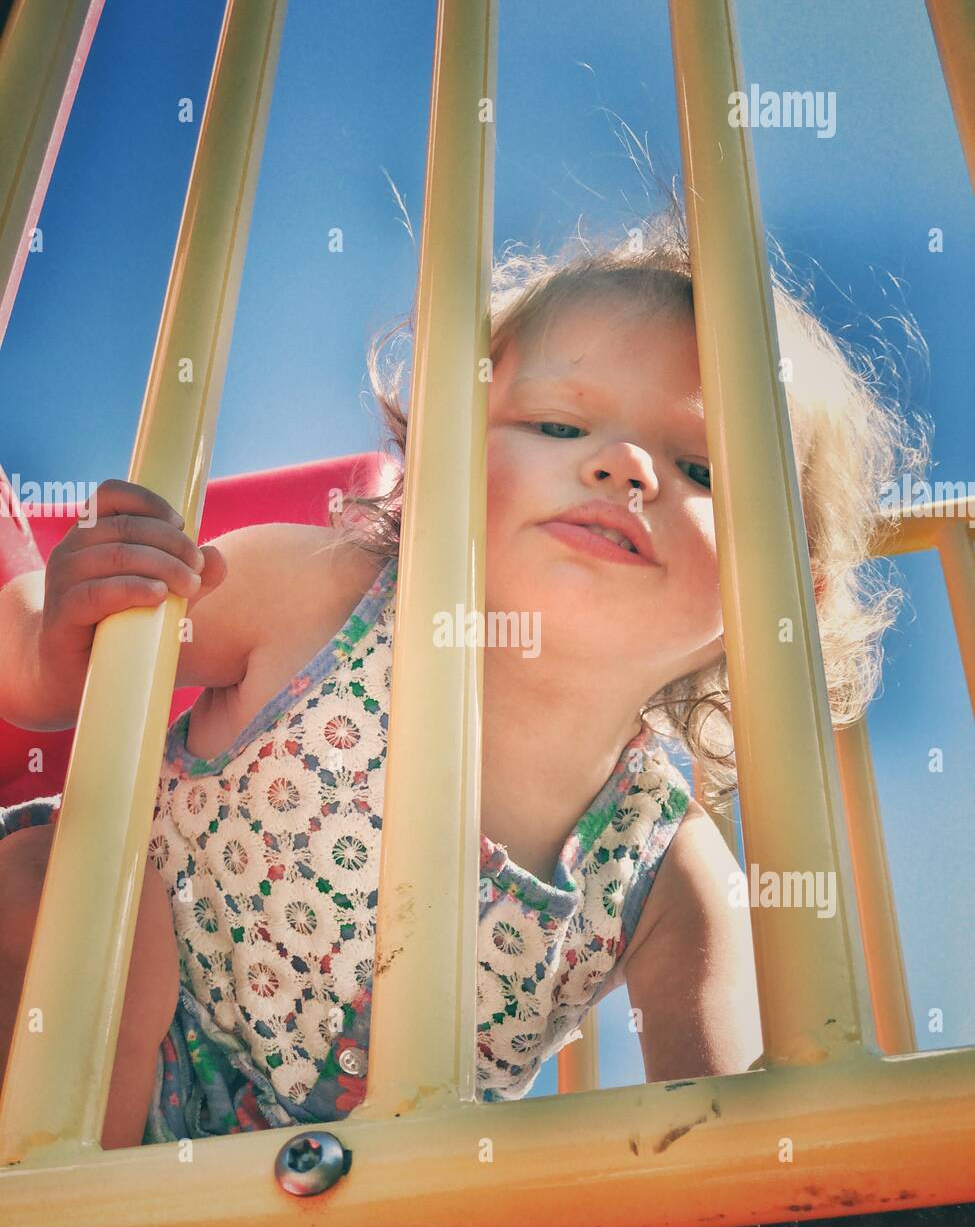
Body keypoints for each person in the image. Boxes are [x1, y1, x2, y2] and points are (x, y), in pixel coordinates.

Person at [0, 213, 928, 1148]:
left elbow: (719, 1136)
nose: (623, 465)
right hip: (97, 1082)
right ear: (443, 451)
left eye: (700, 467)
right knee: (50, 885)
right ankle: (59, 1225)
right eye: (560, 424)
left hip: (366, 1199)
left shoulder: (663, 865)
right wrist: (58, 636)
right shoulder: (316, 593)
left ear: (788, 598)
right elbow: (43, 686)